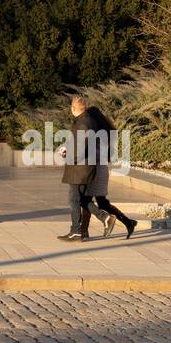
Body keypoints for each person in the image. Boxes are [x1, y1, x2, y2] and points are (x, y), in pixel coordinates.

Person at [57, 94, 137, 242]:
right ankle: (126, 222)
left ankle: (89, 228)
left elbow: (84, 150)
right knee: (95, 201)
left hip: (95, 169)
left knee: (87, 200)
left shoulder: (92, 129)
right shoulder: (101, 132)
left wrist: (69, 154)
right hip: (99, 169)